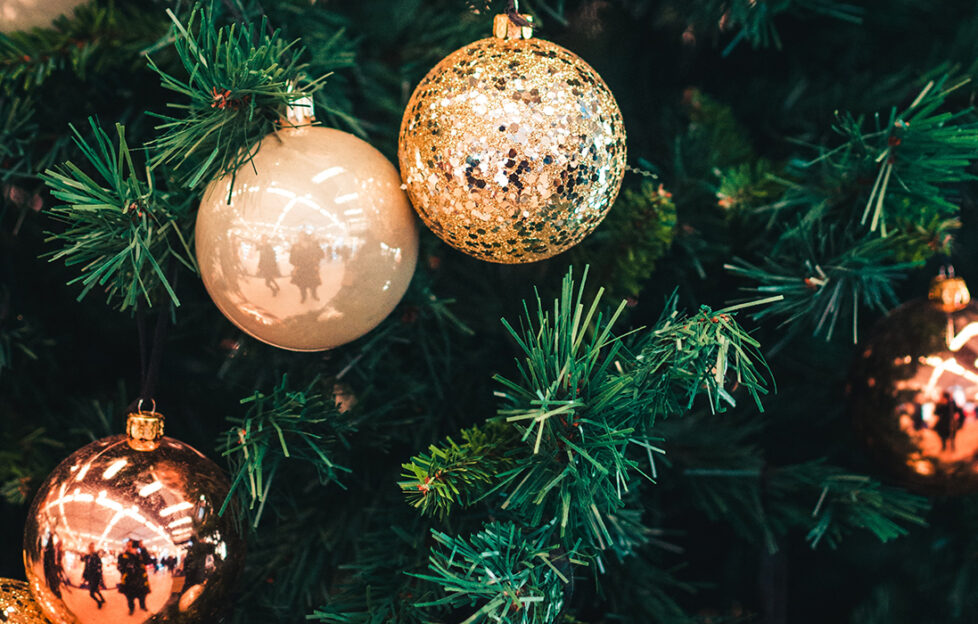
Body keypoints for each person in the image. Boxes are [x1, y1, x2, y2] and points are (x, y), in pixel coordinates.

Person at [117, 538, 151, 615]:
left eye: (131, 546)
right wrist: (127, 570)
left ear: (136, 547)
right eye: (128, 546)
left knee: (142, 597)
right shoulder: (123, 556)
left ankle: (142, 606)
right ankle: (131, 609)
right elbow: (119, 567)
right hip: (129, 582)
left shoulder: (140, 555)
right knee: (130, 599)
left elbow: (148, 561)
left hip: (141, 581)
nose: (129, 548)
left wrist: (143, 548)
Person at [289, 232, 324, 303]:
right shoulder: (295, 246)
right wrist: (296, 265)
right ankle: (303, 296)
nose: (301, 239)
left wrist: (316, 263)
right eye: (300, 237)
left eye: (303, 237)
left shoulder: (313, 245)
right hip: (301, 269)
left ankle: (314, 295)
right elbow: (291, 259)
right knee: (302, 285)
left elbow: (321, 255)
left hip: (311, 268)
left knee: (314, 284)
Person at [81, 542, 106, 608]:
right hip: (89, 577)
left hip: (95, 577)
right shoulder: (87, 556)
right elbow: (85, 566)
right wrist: (84, 575)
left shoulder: (96, 556)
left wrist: (100, 579)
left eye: (92, 547)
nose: (91, 549)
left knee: (91, 594)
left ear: (94, 548)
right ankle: (102, 599)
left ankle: (99, 602)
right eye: (90, 547)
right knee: (96, 590)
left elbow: (100, 567)